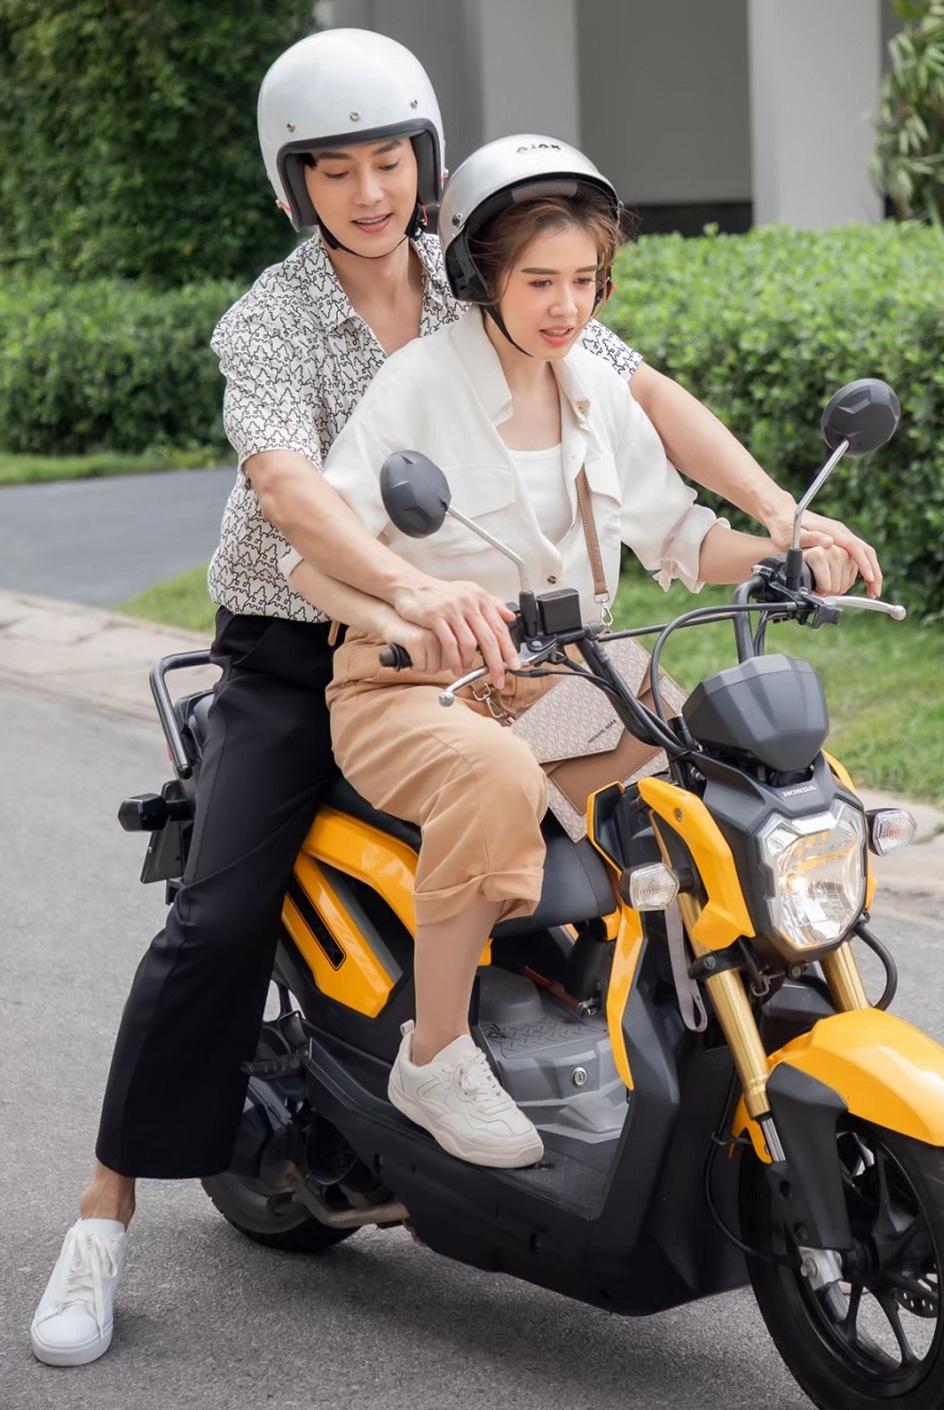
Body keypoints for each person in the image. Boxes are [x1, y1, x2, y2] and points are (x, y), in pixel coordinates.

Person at [30, 27, 880, 1367]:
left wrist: (781, 517)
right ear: (293, 182)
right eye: (334, 169)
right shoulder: (273, 317)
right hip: (306, 645)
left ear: (427, 163)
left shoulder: (486, 263)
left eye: (390, 160)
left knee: (690, 792)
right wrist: (407, 596)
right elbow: (286, 488)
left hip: (510, 641)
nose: (368, 191)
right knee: (219, 917)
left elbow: (638, 396)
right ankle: (103, 1212)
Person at [281, 135, 862, 1168]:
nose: (566, 306)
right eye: (539, 281)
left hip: (563, 677)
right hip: (413, 690)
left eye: (585, 280)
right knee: (494, 774)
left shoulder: (593, 386)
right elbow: (309, 563)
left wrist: (786, 548)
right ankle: (436, 1052)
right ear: (481, 277)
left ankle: (693, 1008)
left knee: (716, 767)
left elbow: (682, 539)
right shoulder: (417, 387)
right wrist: (412, 614)